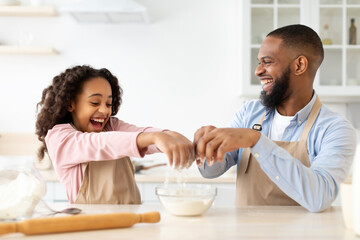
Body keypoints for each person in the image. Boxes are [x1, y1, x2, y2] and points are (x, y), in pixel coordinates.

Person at [194, 24, 357, 212]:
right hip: (245, 233)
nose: (258, 71)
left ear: (299, 65)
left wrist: (256, 140)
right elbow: (211, 171)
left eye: (267, 62)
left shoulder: (335, 129)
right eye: (259, 62)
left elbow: (319, 198)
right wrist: (205, 147)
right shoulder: (249, 112)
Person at [36, 65, 194, 204]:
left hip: (131, 220)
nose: (105, 111)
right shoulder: (60, 138)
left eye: (108, 104)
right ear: (71, 103)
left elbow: (141, 134)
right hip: (90, 226)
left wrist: (171, 136)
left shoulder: (112, 126)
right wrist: (155, 138)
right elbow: (99, 144)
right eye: (95, 103)